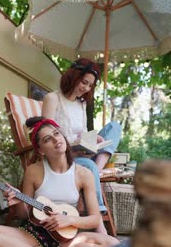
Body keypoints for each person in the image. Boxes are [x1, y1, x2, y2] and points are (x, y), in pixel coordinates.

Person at [0, 117, 119, 247]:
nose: (55, 139)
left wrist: (68, 219)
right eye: (47, 139)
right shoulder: (33, 171)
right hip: (33, 235)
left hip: (66, 239)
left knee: (114, 246)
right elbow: (23, 216)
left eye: (56, 133)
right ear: (41, 150)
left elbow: (94, 219)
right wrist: (17, 202)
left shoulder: (84, 174)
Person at [42, 57, 122, 233]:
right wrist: (71, 147)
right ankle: (99, 223)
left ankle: (97, 169)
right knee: (88, 165)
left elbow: (83, 133)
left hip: (82, 154)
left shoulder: (81, 104)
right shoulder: (53, 98)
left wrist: (93, 140)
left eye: (90, 85)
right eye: (84, 82)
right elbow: (46, 134)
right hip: (64, 157)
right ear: (73, 76)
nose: (86, 88)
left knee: (114, 127)